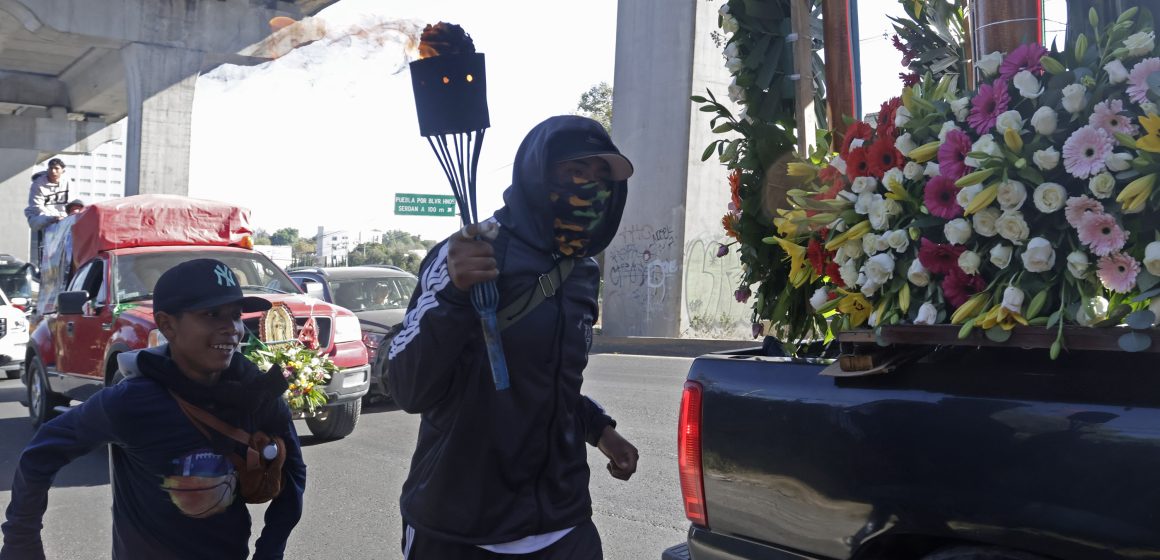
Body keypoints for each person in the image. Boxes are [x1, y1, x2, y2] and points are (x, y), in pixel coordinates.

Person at [387, 115, 639, 559]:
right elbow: (408, 386)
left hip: (563, 525)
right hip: (461, 530)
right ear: (538, 172)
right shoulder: (471, 251)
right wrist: (452, 296)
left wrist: (600, 431)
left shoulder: (582, 271)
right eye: (576, 172)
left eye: (602, 177)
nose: (591, 188)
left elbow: (548, 382)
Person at [1, 258, 306, 560]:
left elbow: (293, 472)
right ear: (167, 325)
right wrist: (21, 544)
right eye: (212, 314)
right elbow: (40, 454)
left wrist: (270, 550)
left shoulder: (258, 393)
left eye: (236, 315)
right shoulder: (132, 401)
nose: (232, 329)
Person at [23, 159, 69, 231]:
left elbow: (71, 203)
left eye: (56, 168)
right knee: (45, 221)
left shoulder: (67, 182)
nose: (53, 171)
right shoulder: (37, 184)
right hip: (39, 215)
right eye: (51, 168)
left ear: (62, 170)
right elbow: (37, 207)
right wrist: (54, 217)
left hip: (62, 216)